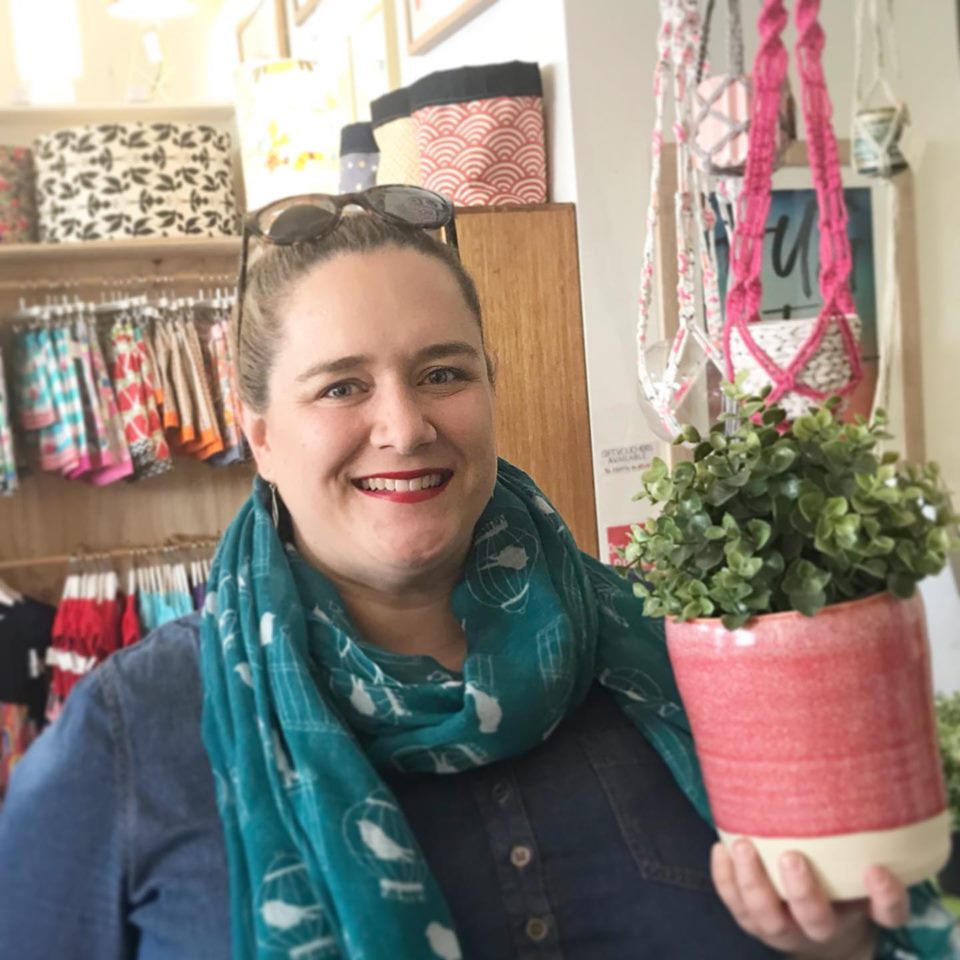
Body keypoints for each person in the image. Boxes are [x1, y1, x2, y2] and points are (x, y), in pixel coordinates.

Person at [0, 187, 954, 960]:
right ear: (258, 435)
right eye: (341, 386)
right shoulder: (135, 737)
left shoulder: (667, 662)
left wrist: (837, 950)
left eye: (444, 373)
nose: (405, 426)